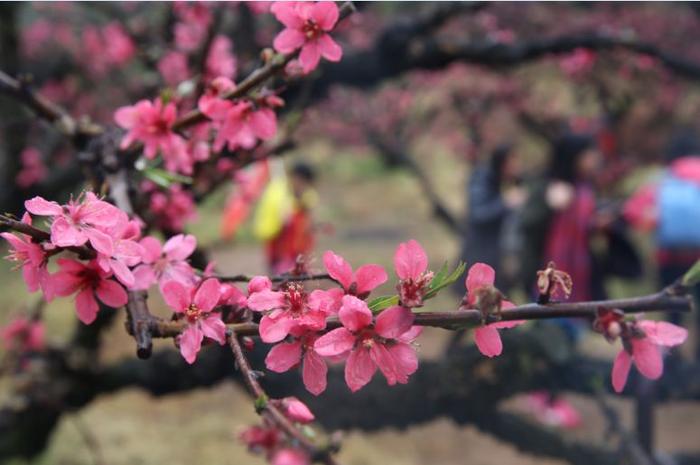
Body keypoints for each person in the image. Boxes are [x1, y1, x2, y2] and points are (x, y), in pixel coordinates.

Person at [455, 144, 525, 296]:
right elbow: (478, 214)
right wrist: (505, 203)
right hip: (481, 249)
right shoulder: (482, 178)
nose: (517, 167)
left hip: (497, 251)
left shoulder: (505, 180)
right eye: (513, 162)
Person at [253, 161, 318, 274]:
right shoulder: (278, 193)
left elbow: (308, 217)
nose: (302, 186)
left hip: (296, 250)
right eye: (301, 181)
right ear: (295, 178)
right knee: (280, 278)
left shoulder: (305, 196)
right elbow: (271, 221)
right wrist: (282, 217)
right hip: (278, 246)